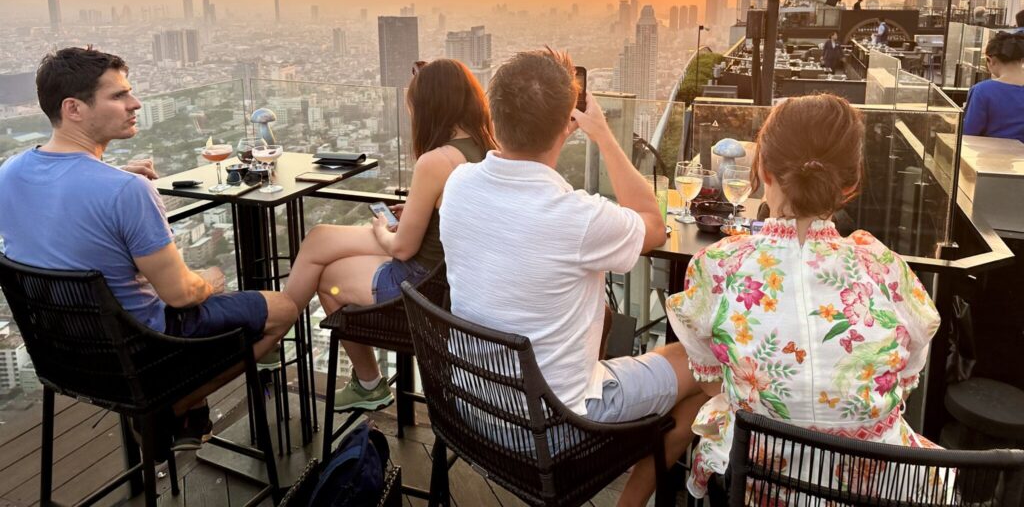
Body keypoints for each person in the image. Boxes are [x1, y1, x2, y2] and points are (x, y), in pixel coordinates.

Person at [440, 49, 714, 507]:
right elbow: (653, 224)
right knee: (704, 366)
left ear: (495, 114)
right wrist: (604, 135)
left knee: (602, 319)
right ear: (567, 125)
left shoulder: (459, 185)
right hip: (552, 430)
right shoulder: (577, 218)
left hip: (472, 411)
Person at [0, 48, 298, 449]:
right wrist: (212, 279)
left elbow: (56, 213)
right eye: (118, 95)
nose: (135, 103)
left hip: (64, 355)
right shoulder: (126, 192)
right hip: (143, 351)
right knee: (283, 309)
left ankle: (179, 414)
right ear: (73, 108)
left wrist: (112, 178)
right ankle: (171, 406)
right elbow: (179, 295)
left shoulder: (10, 173)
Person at [666, 95, 940, 500]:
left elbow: (709, 381)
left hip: (760, 483)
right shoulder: (887, 270)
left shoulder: (718, 267)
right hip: (875, 489)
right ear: (850, 183)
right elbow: (904, 379)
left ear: (762, 170)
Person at [284, 58, 496, 411]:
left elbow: (401, 249)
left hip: (418, 285)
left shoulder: (437, 160)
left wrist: (382, 229)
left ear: (431, 107)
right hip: (449, 280)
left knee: (326, 275)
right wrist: (416, 213)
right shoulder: (488, 148)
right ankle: (285, 329)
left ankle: (364, 380)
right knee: (321, 238)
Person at [963, 31, 1024, 143]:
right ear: (1022, 60)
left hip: (991, 158)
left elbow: (969, 134)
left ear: (991, 61)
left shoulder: (982, 91)